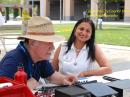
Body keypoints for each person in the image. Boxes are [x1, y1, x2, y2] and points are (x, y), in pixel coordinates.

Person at [0, 16, 77, 89]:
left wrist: (64, 79)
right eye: (48, 43)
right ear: (33, 43)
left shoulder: (39, 58)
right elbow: (3, 90)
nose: (53, 47)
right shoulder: (13, 60)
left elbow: (51, 75)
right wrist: (25, 86)